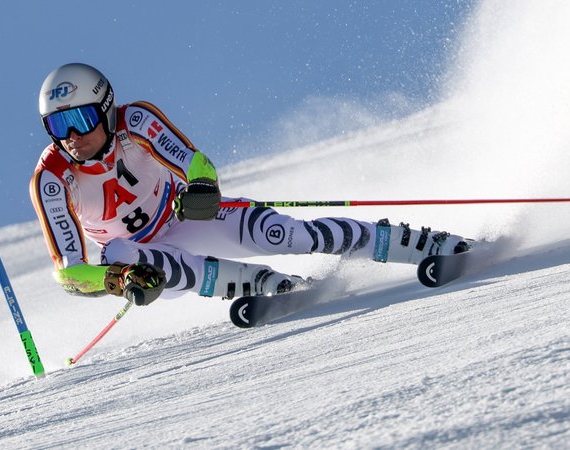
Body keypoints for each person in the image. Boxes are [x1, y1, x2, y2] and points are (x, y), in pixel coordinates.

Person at [30, 63, 469, 306]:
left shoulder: (136, 121)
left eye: (80, 118)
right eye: (57, 125)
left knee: (290, 234)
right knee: (119, 253)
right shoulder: (52, 179)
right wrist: (119, 279)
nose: (72, 136)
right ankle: (266, 286)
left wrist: (201, 187)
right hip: (145, 255)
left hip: (184, 216)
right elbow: (69, 272)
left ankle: (420, 244)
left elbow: (194, 161)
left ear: (105, 109)